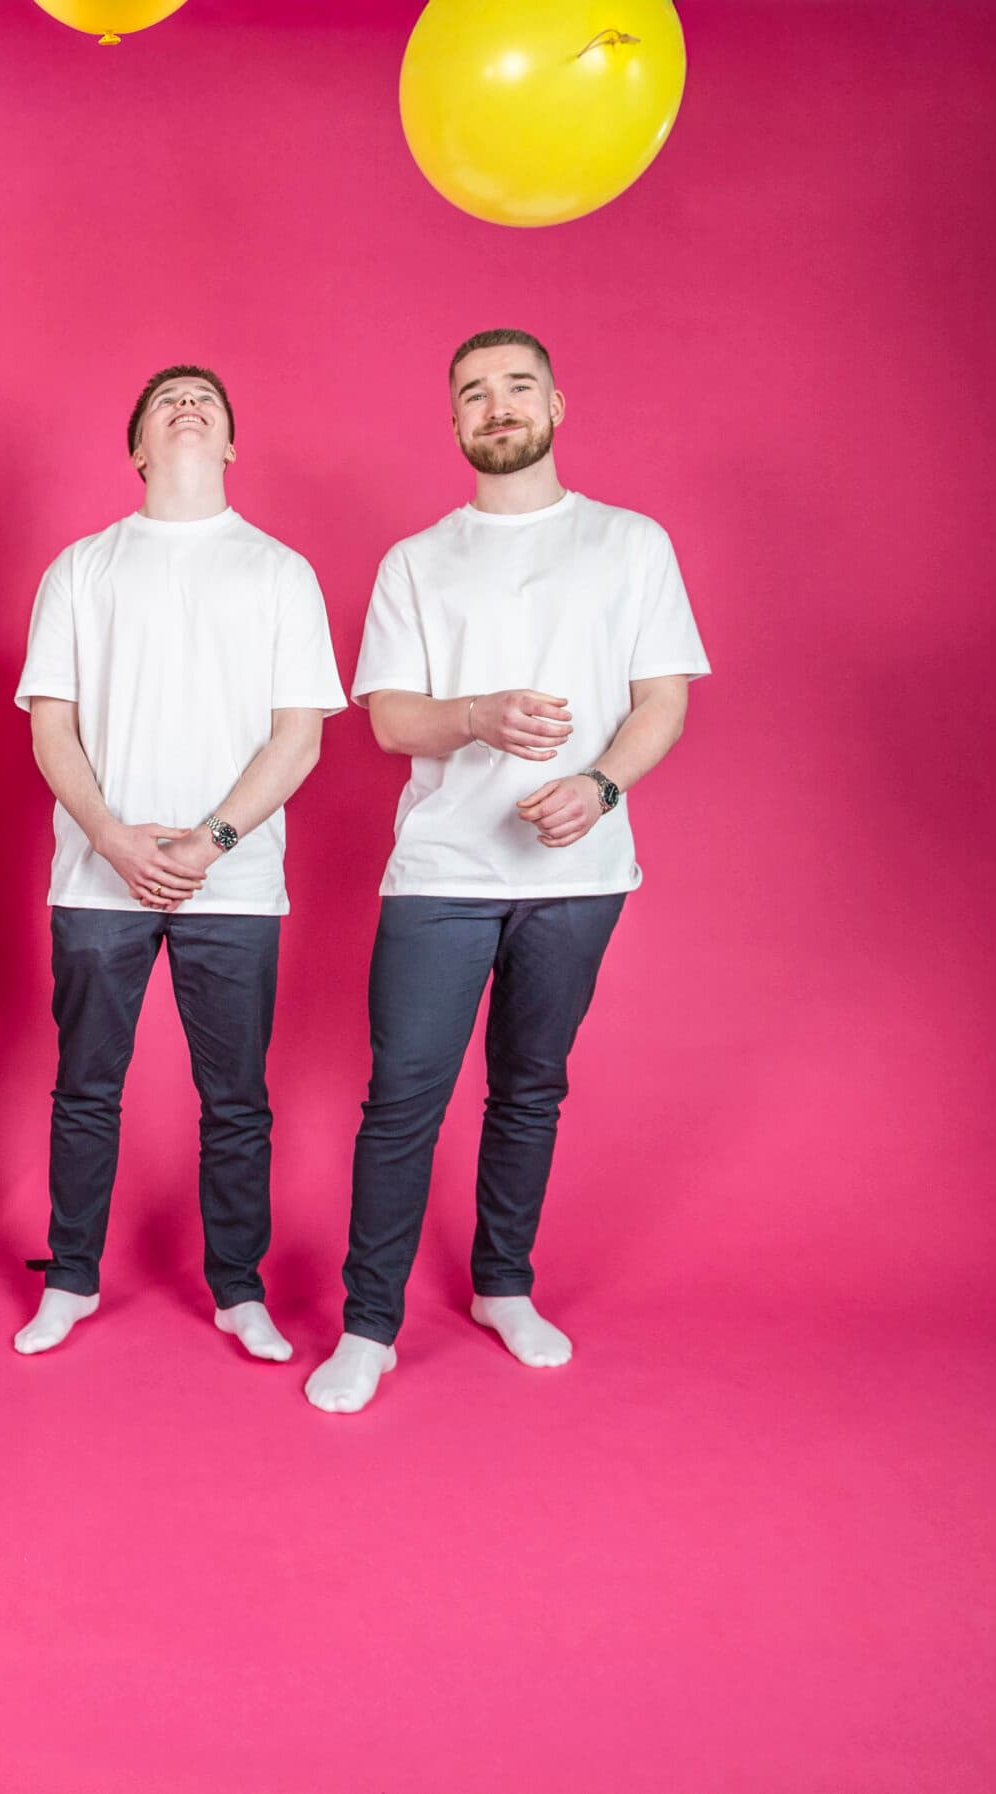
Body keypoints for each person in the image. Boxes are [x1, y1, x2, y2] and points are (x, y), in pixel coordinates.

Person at [305, 329, 711, 1414]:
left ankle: (502, 1286)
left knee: (530, 1089)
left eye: (515, 387)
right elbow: (389, 717)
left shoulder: (628, 544)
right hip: (442, 868)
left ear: (555, 405)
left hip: (579, 875)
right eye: (473, 394)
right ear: (451, 424)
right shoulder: (416, 560)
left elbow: (661, 699)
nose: (496, 406)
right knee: (403, 1100)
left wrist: (603, 787)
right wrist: (479, 714)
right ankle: (368, 1326)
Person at [11, 364, 346, 1362]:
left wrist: (212, 841)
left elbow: (299, 737)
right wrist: (111, 836)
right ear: (137, 450)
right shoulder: (80, 567)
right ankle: (70, 1276)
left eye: (205, 399)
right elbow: (51, 727)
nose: (187, 404)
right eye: (165, 402)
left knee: (236, 1098)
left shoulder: (282, 572)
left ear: (232, 444)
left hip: (233, 882)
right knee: (85, 1089)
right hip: (95, 877)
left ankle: (239, 1289)